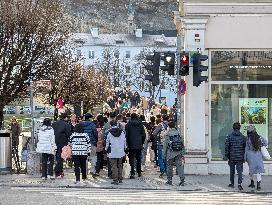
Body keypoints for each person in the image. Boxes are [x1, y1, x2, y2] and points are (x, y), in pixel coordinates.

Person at [245, 125, 268, 191]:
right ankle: (258, 186)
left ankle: (252, 183)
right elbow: (265, 143)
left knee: (251, 170)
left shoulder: (247, 138)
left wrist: (245, 157)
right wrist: (261, 145)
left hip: (250, 155)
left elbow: (246, 148)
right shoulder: (259, 137)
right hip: (258, 155)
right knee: (258, 171)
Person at [225, 122, 246, 190]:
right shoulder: (243, 137)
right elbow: (244, 147)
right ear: (239, 128)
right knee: (240, 171)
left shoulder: (229, 136)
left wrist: (227, 156)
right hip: (240, 157)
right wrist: (243, 156)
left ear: (233, 128)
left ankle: (232, 183)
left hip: (232, 156)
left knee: (232, 171)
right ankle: (239, 184)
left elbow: (227, 147)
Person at [163, 121, 185, 186]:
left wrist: (164, 155)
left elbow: (165, 146)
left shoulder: (167, 134)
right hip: (178, 152)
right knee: (179, 166)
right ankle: (182, 180)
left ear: (169, 127)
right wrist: (183, 152)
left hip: (170, 153)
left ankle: (169, 181)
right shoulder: (178, 133)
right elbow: (182, 143)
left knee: (169, 166)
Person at [125, 113, 146, 178]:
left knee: (131, 158)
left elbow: (126, 135)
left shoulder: (128, 124)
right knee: (138, 158)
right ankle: (139, 172)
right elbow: (143, 135)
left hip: (131, 144)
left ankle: (132, 172)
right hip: (139, 144)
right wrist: (142, 142)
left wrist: (127, 143)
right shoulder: (140, 124)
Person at [52, 113, 71, 178]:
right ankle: (58, 171)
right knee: (61, 157)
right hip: (62, 142)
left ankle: (59, 171)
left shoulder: (54, 124)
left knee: (57, 156)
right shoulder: (66, 124)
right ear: (65, 118)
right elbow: (69, 134)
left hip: (54, 142)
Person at [81, 113, 98, 178]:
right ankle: (93, 170)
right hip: (92, 143)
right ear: (90, 118)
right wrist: (95, 141)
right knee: (93, 157)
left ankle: (85, 171)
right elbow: (95, 134)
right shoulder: (92, 124)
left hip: (83, 143)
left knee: (85, 158)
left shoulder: (81, 124)